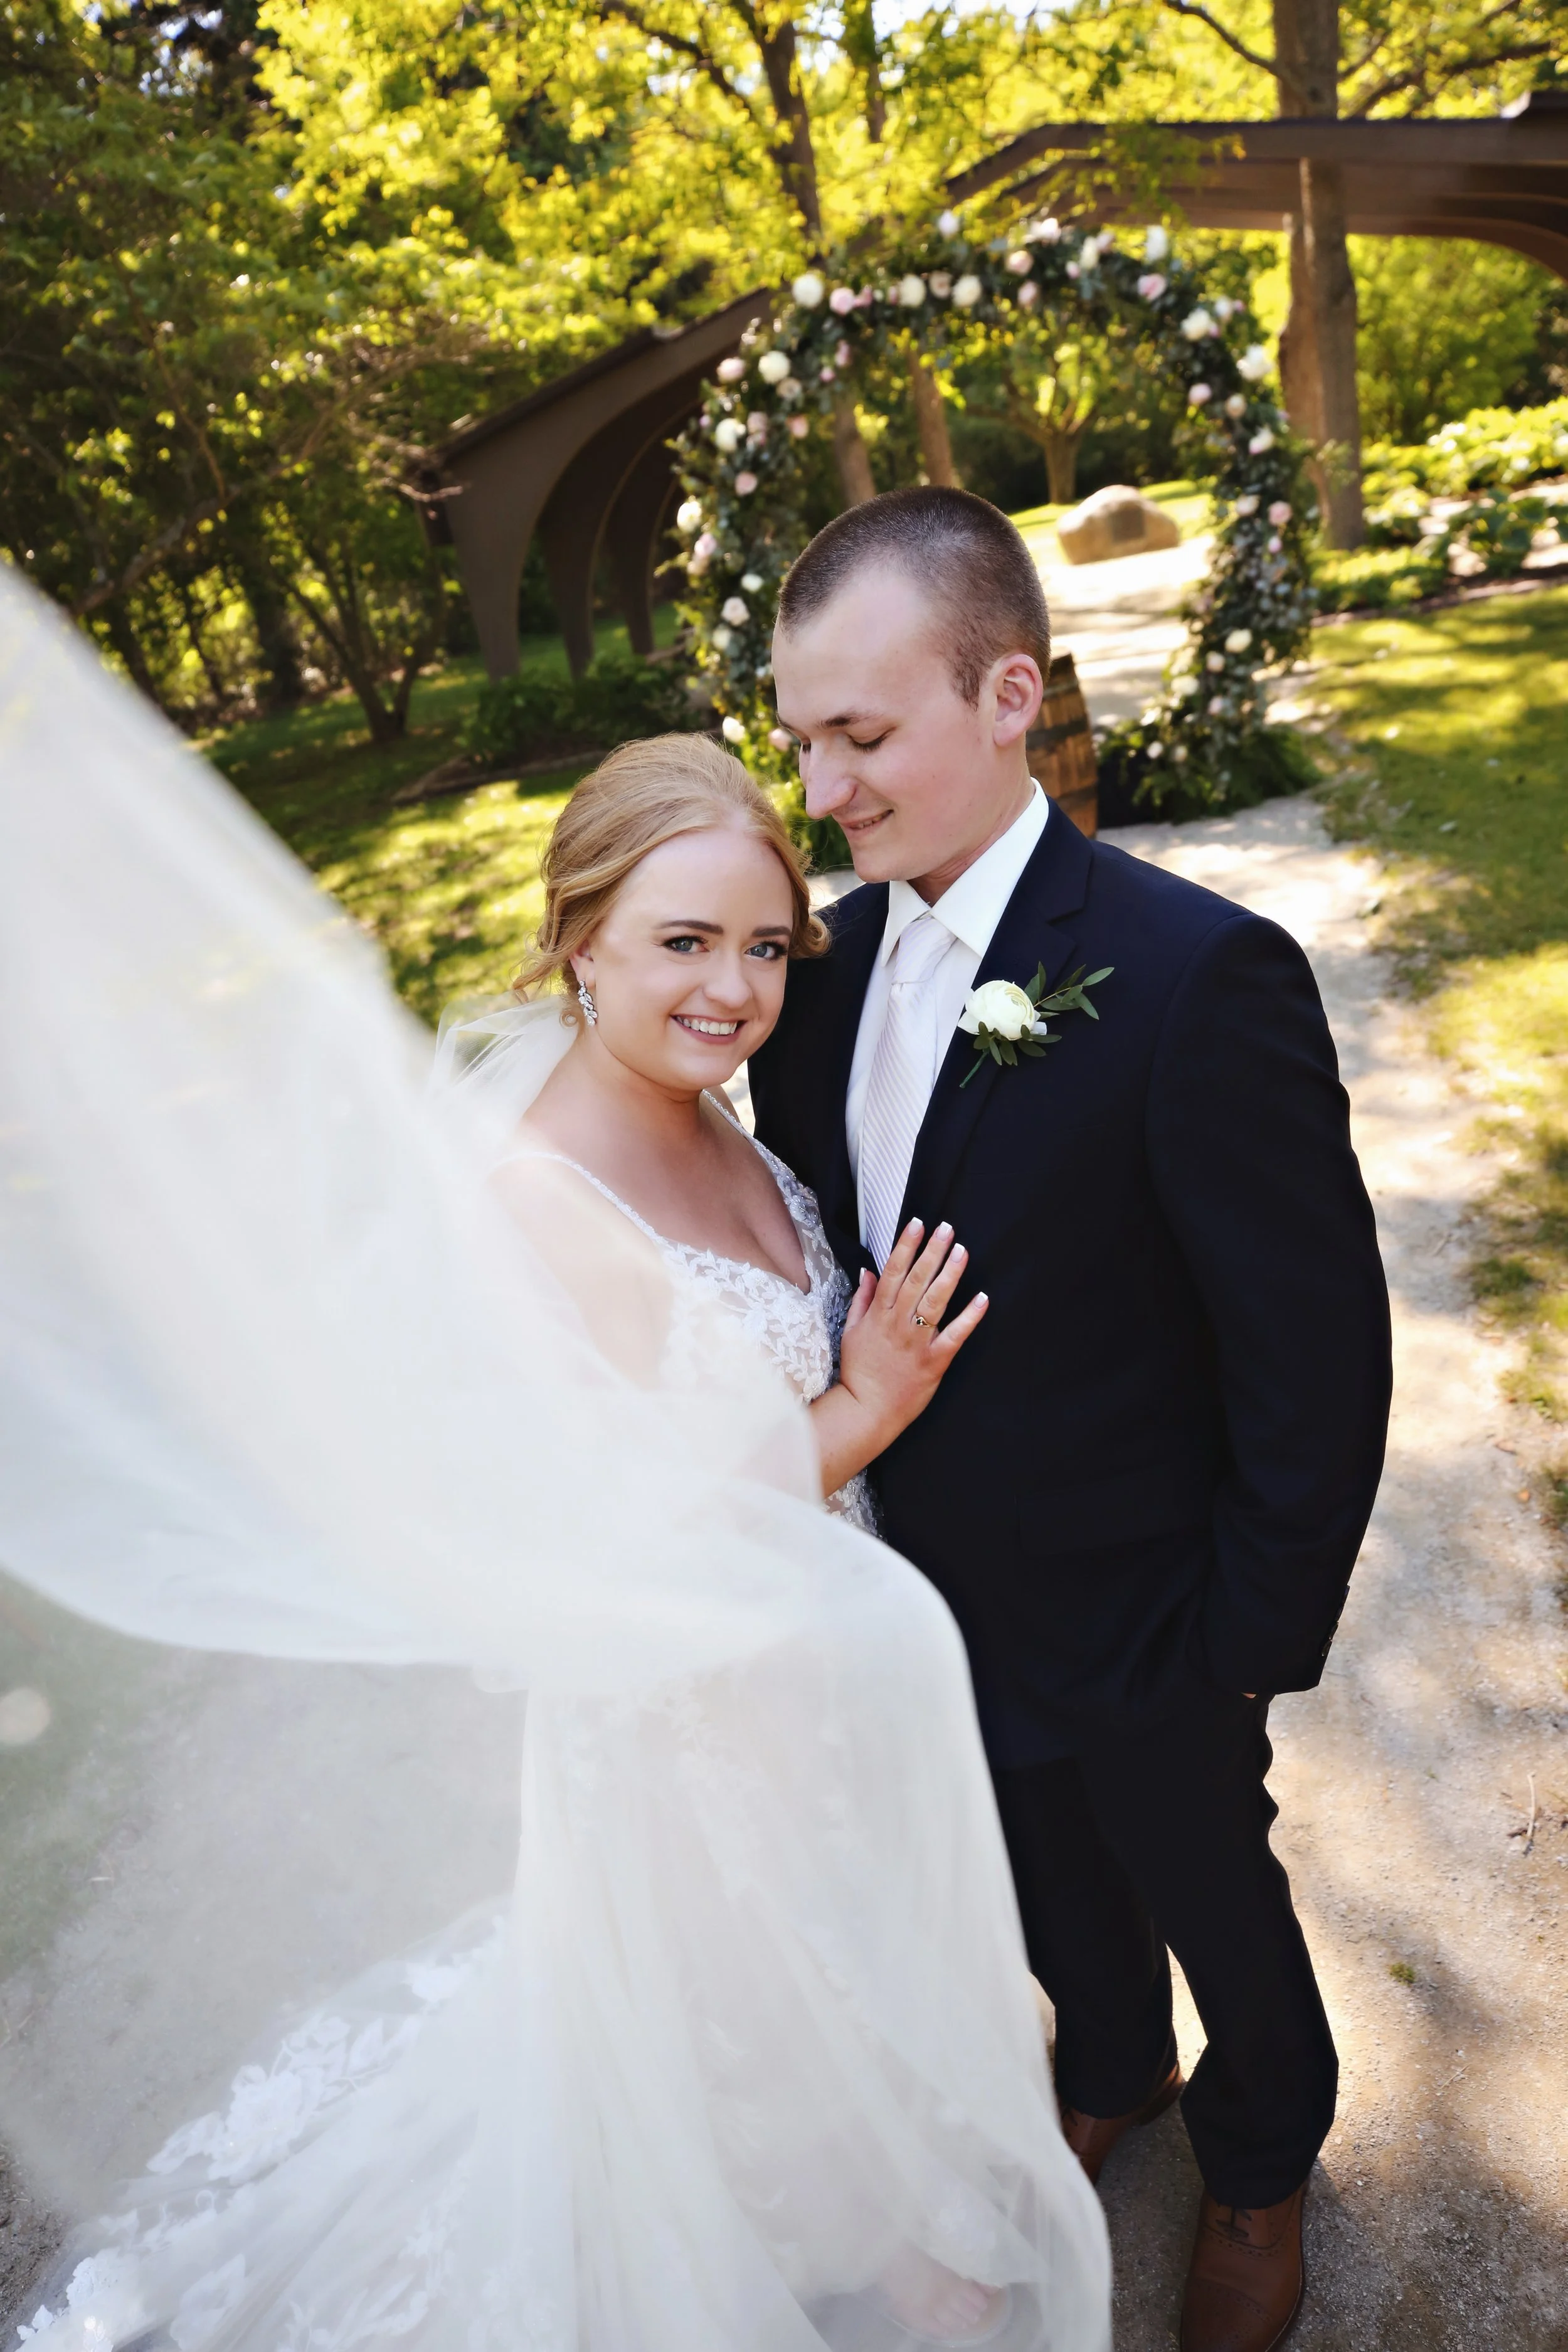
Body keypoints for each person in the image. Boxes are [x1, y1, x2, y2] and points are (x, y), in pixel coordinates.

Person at [0, 578, 1110, 2352]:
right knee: (746, 1980)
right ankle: (851, 2237)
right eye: (681, 943)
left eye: (761, 946)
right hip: (691, 1709)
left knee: (841, 1947)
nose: (734, 989)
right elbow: (618, 1528)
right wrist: (859, 1416)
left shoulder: (706, 1111)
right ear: (577, 938)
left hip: (805, 1664)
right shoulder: (534, 1204)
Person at [755, 486, 1392, 2352]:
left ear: (1008, 690)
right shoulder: (818, 986)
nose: (823, 795)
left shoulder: (1198, 979)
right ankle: (1110, 2063)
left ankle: (1261, 2159)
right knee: (1044, 1889)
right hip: (928, 1608)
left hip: (1150, 1623)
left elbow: (1315, 1354)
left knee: (1216, 1894)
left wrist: (1239, 1646)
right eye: (800, 741)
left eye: (860, 737)